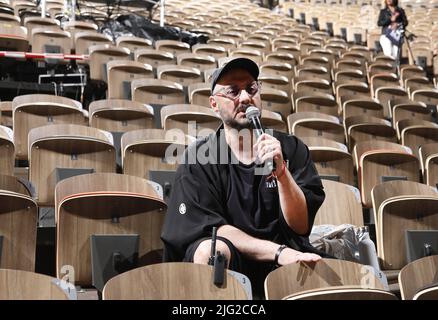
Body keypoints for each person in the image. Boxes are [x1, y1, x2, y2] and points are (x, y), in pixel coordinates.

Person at [161, 58, 326, 293]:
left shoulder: (290, 148)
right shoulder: (200, 158)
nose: (246, 98)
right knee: (212, 250)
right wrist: (278, 252)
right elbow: (214, 230)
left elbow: (300, 226)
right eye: (233, 91)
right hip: (236, 259)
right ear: (214, 104)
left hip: (287, 258)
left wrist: (282, 176)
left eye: (251, 88)